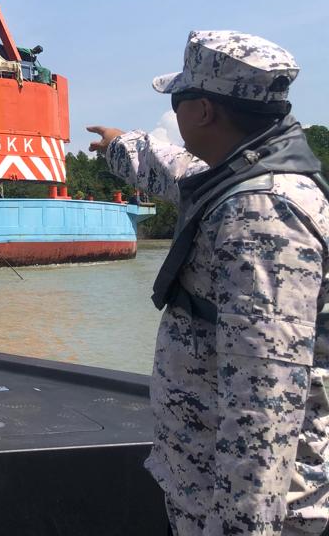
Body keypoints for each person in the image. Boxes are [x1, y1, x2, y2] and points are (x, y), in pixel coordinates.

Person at [88, 30, 329, 536]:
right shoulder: (241, 177)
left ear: (202, 111)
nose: (173, 112)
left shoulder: (261, 216)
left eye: (177, 99)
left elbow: (264, 406)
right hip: (210, 491)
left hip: (248, 512)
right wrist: (119, 146)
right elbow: (176, 170)